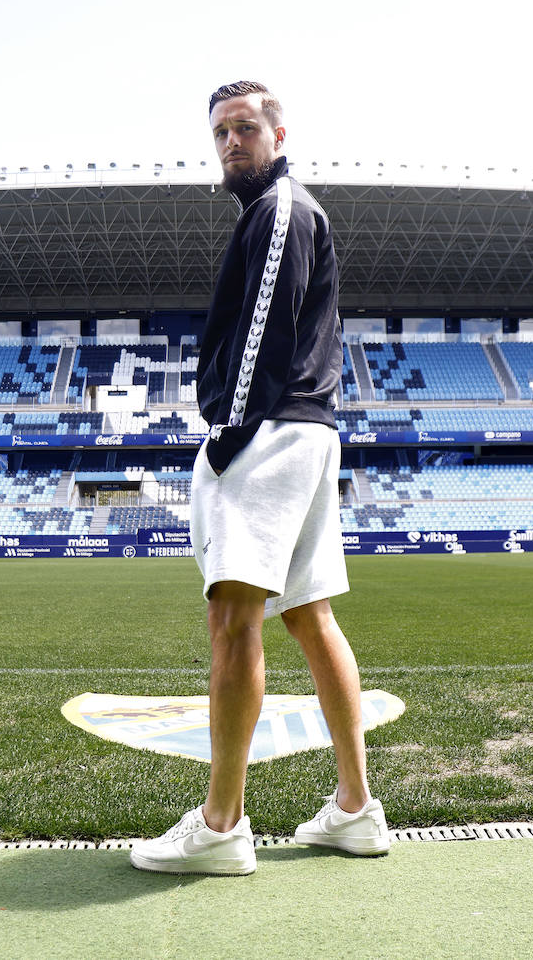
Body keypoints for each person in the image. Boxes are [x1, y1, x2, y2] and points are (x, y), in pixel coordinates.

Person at [130, 81, 388, 875]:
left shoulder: (279, 210)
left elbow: (264, 334)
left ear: (279, 133)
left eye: (246, 128)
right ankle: (355, 809)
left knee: (234, 623)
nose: (232, 142)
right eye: (220, 132)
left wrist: (228, 435)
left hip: (271, 433)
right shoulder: (273, 211)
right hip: (305, 431)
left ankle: (221, 826)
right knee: (311, 618)